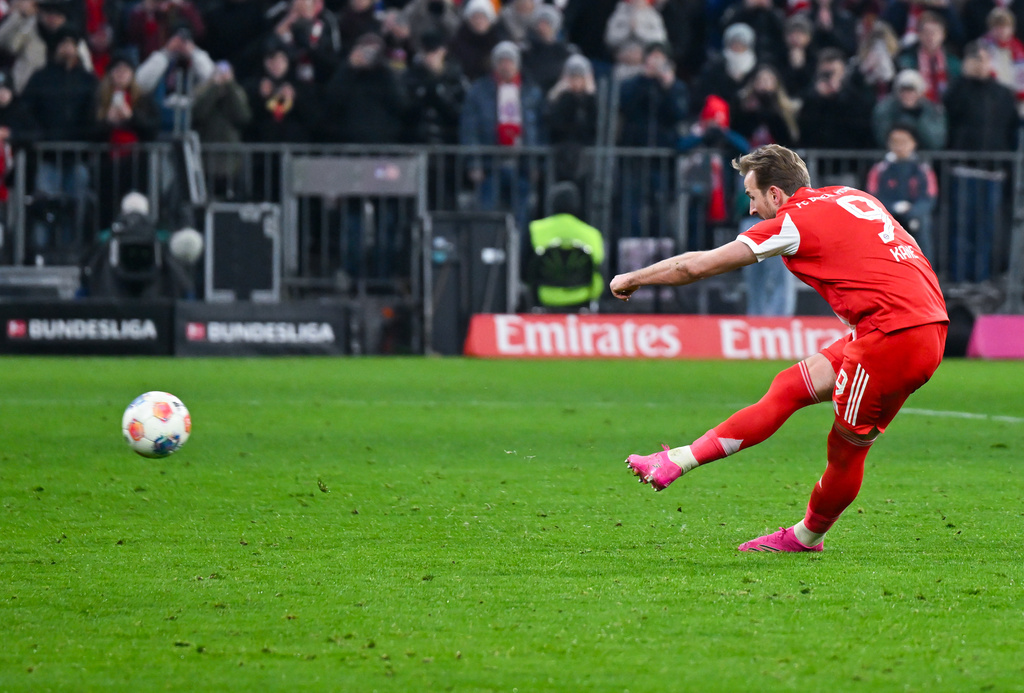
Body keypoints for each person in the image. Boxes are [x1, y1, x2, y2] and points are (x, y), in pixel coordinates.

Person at [610, 144, 948, 552]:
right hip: (914, 322)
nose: (751, 209)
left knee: (846, 451)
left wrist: (634, 277)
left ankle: (806, 537)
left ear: (775, 194)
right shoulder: (853, 195)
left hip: (892, 337)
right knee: (790, 386)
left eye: (752, 197)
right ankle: (677, 459)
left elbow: (694, 266)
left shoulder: (793, 221)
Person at [866, 124, 938, 260]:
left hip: (915, 214)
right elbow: (873, 196)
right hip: (887, 215)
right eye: (895, 142)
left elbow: (929, 198)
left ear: (914, 143)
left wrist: (912, 212)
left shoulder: (923, 169)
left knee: (923, 224)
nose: (899, 146)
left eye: (904, 142)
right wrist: (894, 208)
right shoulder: (880, 169)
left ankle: (926, 271)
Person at [871, 68, 946, 150]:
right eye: (903, 91)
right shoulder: (885, 109)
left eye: (911, 91)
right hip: (892, 157)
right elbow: (881, 137)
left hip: (923, 158)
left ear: (920, 93)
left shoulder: (931, 110)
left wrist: (919, 118)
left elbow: (936, 142)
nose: (907, 95)